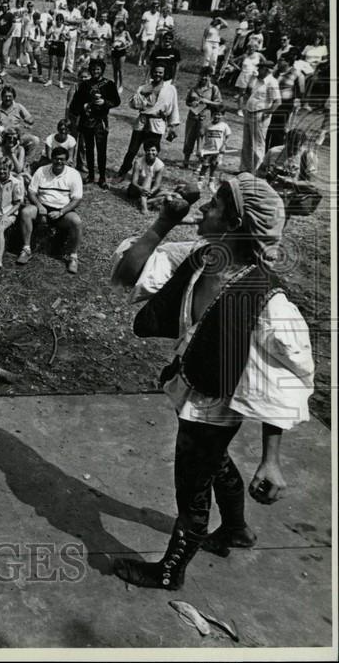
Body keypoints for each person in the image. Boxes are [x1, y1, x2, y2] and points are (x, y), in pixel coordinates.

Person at [109, 175, 313, 590]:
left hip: (217, 402)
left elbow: (284, 384)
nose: (204, 207)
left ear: (236, 222)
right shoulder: (202, 257)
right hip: (197, 382)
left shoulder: (263, 300)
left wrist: (271, 460)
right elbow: (129, 272)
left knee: (192, 483)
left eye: (215, 204)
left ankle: (170, 572)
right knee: (213, 460)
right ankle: (236, 529)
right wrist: (165, 219)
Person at [18, 146, 83, 273]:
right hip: (42, 207)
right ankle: (26, 249)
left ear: (66, 160)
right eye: (56, 159)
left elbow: (77, 199)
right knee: (26, 212)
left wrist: (61, 212)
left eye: (62, 160)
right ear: (51, 159)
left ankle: (73, 257)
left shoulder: (74, 174)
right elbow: (31, 192)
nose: (59, 162)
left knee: (77, 222)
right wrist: (39, 206)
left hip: (62, 211)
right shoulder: (41, 171)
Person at [118, 65, 180, 179]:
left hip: (157, 123)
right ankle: (123, 171)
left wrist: (172, 126)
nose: (157, 74)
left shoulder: (170, 89)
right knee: (132, 150)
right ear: (152, 73)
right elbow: (134, 105)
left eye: (160, 72)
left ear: (164, 74)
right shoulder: (144, 87)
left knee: (152, 151)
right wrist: (142, 93)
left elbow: (174, 108)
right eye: (156, 72)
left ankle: (149, 175)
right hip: (142, 121)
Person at [68, 57, 120, 188]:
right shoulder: (85, 85)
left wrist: (105, 103)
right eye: (93, 69)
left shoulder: (109, 84)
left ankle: (102, 177)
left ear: (102, 70)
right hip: (87, 121)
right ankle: (91, 175)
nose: (95, 71)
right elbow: (74, 104)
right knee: (89, 149)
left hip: (101, 121)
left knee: (101, 150)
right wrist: (84, 106)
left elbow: (116, 101)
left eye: (97, 69)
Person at [239, 57, 280, 173]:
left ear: (267, 70)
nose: (258, 70)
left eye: (261, 68)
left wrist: (267, 113)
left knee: (258, 145)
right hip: (249, 112)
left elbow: (277, 102)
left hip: (260, 114)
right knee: (246, 142)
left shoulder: (272, 82)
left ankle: (256, 171)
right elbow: (248, 92)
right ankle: (244, 169)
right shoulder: (257, 80)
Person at [182, 67, 223, 169]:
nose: (204, 78)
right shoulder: (194, 88)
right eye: (202, 75)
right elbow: (187, 101)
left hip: (205, 117)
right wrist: (192, 103)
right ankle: (186, 160)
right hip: (192, 116)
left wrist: (208, 102)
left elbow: (219, 103)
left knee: (202, 138)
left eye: (207, 76)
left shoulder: (213, 89)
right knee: (189, 138)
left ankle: (199, 163)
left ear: (210, 77)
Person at [126, 138, 166, 212]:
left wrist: (151, 191)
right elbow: (134, 181)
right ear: (145, 151)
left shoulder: (160, 165)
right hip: (137, 188)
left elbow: (157, 184)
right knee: (148, 177)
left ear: (157, 152)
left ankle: (143, 200)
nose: (150, 152)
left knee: (162, 193)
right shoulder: (138, 162)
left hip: (150, 190)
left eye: (153, 150)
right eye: (148, 150)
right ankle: (144, 205)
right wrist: (140, 188)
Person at [196, 107, 231, 191]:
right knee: (204, 166)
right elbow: (200, 136)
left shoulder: (224, 126)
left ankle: (211, 183)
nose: (217, 116)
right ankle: (200, 182)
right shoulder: (207, 125)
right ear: (212, 115)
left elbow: (227, 136)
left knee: (214, 166)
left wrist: (224, 146)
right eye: (215, 114)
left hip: (217, 151)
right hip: (207, 150)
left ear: (222, 116)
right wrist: (199, 148)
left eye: (219, 114)